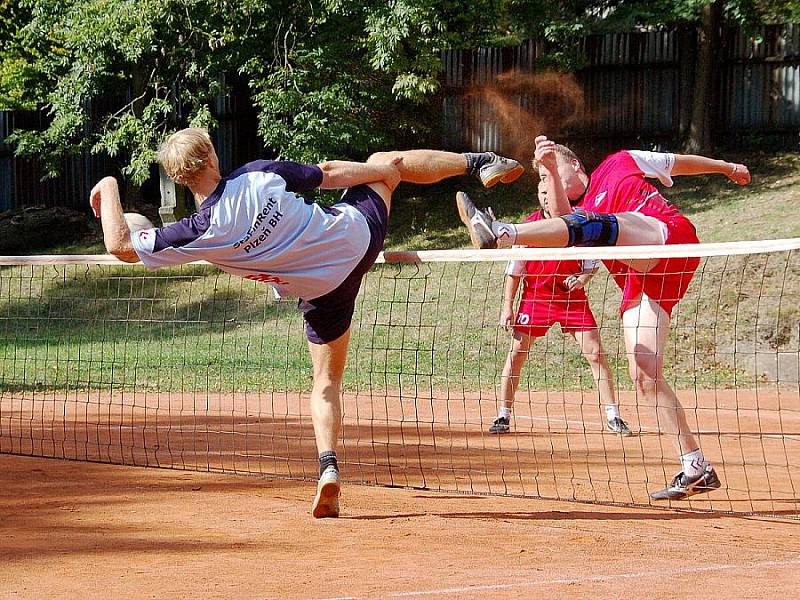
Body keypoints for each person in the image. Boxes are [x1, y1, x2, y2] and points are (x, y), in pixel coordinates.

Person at [89, 127, 524, 518]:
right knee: (387, 159)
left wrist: (108, 185)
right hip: (354, 240)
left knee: (325, 382)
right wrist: (381, 172)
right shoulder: (257, 176)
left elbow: (119, 243)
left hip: (320, 290)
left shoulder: (195, 233)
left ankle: (328, 467)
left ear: (180, 177)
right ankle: (479, 163)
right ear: (212, 157)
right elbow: (331, 173)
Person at [457, 134, 751, 500]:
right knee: (644, 372)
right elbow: (567, 226)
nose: (546, 187)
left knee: (596, 225)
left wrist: (725, 167)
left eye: (552, 176)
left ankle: (501, 232)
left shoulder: (620, 162)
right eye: (543, 182)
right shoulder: (579, 216)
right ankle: (696, 466)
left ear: (576, 165)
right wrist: (547, 167)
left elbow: (679, 162)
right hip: (642, 281)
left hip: (668, 238)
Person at [483, 179, 631, 437]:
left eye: (551, 192)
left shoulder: (581, 222)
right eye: (542, 193)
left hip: (571, 299)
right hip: (536, 297)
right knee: (517, 354)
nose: (547, 197)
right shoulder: (528, 228)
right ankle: (503, 416)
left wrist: (581, 280)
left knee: (595, 353)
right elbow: (514, 271)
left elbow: (591, 264)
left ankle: (613, 415)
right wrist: (507, 306)